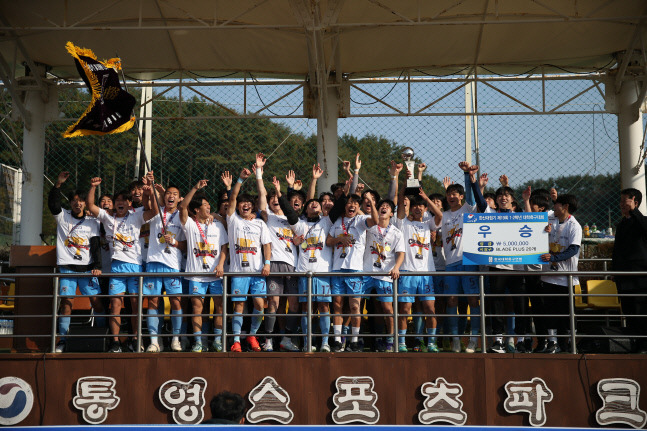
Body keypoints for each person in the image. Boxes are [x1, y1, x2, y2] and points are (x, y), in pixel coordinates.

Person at [87, 176, 158, 353]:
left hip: (135, 267)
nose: (120, 203)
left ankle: (135, 339)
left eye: (123, 201)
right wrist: (93, 187)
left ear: (128, 203)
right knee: (115, 305)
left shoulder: (136, 216)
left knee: (135, 305)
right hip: (117, 267)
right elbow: (91, 206)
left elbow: (155, 212)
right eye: (117, 201)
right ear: (113, 204)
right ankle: (115, 342)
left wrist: (149, 193)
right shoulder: (108, 218)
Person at [279, 163, 335, 352]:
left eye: (317, 203)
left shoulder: (327, 222)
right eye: (311, 203)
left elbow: (342, 206)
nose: (314, 204)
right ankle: (306, 342)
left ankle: (326, 343)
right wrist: (281, 193)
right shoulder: (300, 224)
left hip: (322, 273)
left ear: (322, 209)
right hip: (304, 272)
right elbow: (288, 211)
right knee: (307, 310)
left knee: (324, 307)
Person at [48, 171, 104, 353]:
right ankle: (63, 340)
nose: (77, 203)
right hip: (67, 270)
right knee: (66, 304)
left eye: (80, 200)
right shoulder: (63, 216)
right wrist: (58, 184)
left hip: (87, 270)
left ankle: (103, 336)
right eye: (74, 200)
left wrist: (97, 266)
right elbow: (53, 204)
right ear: (70, 202)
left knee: (97, 303)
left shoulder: (92, 221)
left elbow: (95, 246)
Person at [255, 154, 301, 352]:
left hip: (292, 264)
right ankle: (269, 339)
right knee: (273, 302)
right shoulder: (269, 218)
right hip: (273, 263)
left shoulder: (294, 219)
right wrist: (259, 173)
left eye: (278, 198)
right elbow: (262, 196)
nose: (275, 200)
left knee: (294, 303)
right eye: (273, 199)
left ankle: (287, 337)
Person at [226, 166, 273, 352]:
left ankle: (252, 335)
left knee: (260, 305)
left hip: (257, 272)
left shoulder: (260, 223)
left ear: (252, 207)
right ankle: (236, 340)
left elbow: (266, 245)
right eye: (241, 203)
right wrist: (239, 179)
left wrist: (267, 264)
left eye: (248, 203)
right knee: (239, 305)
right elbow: (231, 198)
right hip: (239, 272)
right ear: (238, 206)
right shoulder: (233, 221)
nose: (245, 205)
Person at [179, 180, 229, 353]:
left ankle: (216, 340)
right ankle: (198, 342)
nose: (209, 208)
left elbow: (224, 248)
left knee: (220, 307)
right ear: (197, 210)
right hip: (196, 275)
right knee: (197, 308)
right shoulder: (191, 225)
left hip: (215, 274)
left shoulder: (218, 226)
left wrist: (221, 264)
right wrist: (195, 188)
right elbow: (183, 207)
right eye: (205, 206)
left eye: (209, 205)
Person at [143, 183, 187, 353]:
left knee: (176, 301)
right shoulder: (157, 212)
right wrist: (150, 188)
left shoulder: (182, 216)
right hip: (153, 263)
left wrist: (174, 242)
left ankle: (176, 339)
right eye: (168, 193)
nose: (171, 196)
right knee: (153, 302)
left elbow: (185, 245)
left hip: (173, 265)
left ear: (179, 198)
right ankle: (154, 341)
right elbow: (150, 202)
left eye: (175, 193)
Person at [540, 194, 582, 353]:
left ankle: (569, 343)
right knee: (549, 311)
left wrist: (554, 257)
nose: (553, 206)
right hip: (548, 276)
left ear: (565, 207)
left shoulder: (574, 226)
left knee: (567, 313)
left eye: (556, 204)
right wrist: (543, 232)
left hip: (566, 278)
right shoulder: (552, 221)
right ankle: (553, 342)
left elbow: (573, 249)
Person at [364, 198, 405, 352]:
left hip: (385, 275)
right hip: (366, 272)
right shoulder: (369, 227)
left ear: (391, 213)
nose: (384, 208)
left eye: (387, 207)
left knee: (388, 308)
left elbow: (401, 253)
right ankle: (354, 338)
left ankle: (390, 340)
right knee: (355, 305)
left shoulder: (396, 232)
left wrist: (396, 267)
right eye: (381, 206)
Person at [612, 188, 647, 353]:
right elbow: (617, 250)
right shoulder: (621, 225)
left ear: (635, 202)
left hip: (639, 278)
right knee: (629, 311)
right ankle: (634, 344)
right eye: (621, 202)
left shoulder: (642, 221)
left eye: (625, 202)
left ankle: (643, 345)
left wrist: (635, 212)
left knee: (641, 312)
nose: (622, 206)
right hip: (623, 278)